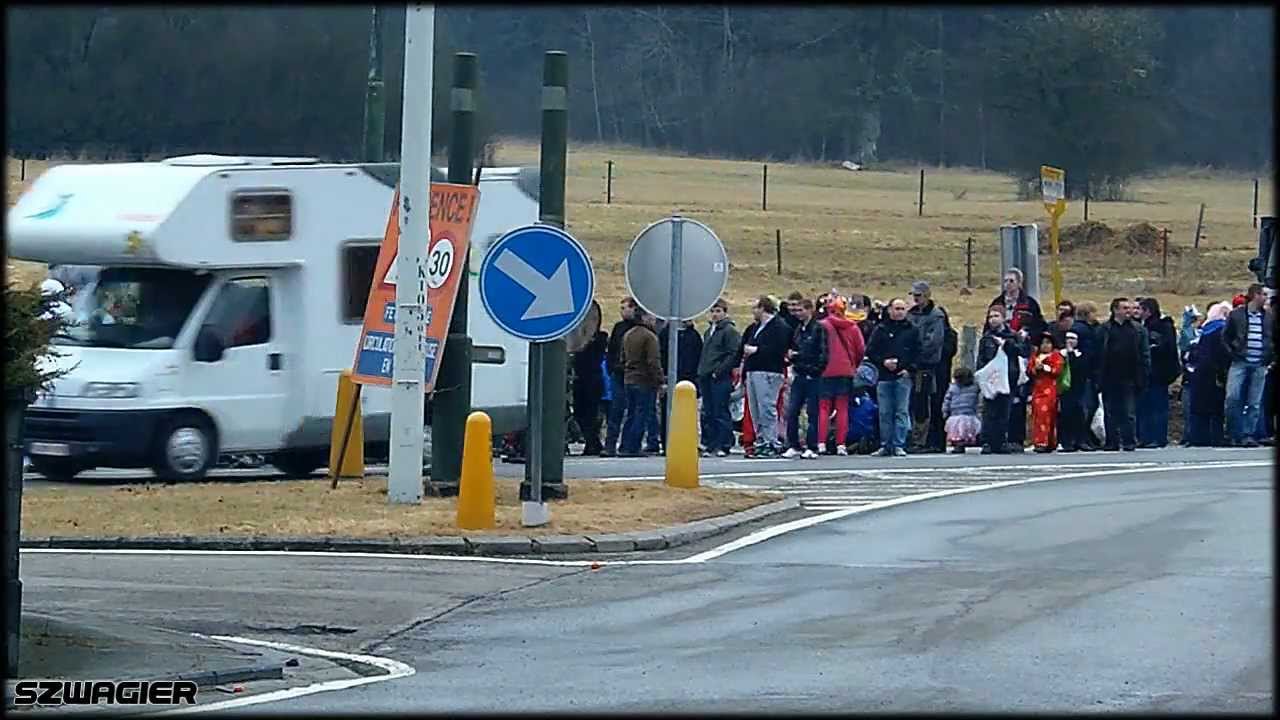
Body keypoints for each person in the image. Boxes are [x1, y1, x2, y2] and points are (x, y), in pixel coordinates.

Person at [864, 297, 921, 457]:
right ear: (889, 310)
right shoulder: (880, 329)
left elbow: (918, 352)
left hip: (903, 376)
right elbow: (870, 351)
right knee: (885, 412)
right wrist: (883, 362)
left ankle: (899, 444)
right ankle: (885, 444)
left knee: (901, 411)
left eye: (902, 309)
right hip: (884, 376)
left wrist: (908, 368)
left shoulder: (912, 330)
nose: (899, 312)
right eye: (897, 308)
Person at [740, 295, 791, 458]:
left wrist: (757, 350)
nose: (753, 312)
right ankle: (760, 439)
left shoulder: (779, 327)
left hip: (769, 370)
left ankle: (771, 441)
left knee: (767, 407)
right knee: (755, 408)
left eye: (755, 308)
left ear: (763, 308)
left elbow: (779, 349)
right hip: (754, 369)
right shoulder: (756, 328)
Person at [1222, 283, 1273, 447]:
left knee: (1254, 401)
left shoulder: (1269, 317)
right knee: (1232, 397)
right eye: (1264, 295)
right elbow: (1225, 336)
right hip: (1240, 361)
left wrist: (1270, 357)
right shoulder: (1237, 315)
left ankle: (1248, 434)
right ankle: (1233, 432)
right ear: (1255, 295)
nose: (1266, 298)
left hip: (1260, 363)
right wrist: (1233, 352)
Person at [1097, 297, 1150, 452]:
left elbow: (1144, 354)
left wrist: (1144, 374)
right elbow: (1098, 353)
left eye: (1130, 308)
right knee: (1110, 411)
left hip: (1130, 376)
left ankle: (1129, 441)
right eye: (1125, 308)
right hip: (1109, 376)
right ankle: (1111, 441)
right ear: (1115, 310)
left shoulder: (1138, 330)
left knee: (1128, 411)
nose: (1129, 311)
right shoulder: (1104, 329)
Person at [906, 280, 952, 453]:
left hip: (932, 367)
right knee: (918, 403)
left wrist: (917, 355)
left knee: (933, 403)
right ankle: (918, 439)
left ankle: (933, 441)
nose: (916, 299)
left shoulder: (936, 316)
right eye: (914, 295)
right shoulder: (911, 315)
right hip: (914, 367)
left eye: (918, 295)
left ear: (927, 296)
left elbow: (933, 342)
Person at [818, 295, 865, 456]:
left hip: (825, 371)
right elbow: (860, 350)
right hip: (845, 371)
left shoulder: (822, 326)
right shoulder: (852, 327)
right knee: (842, 408)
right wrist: (853, 365)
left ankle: (821, 443)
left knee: (823, 408)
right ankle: (841, 444)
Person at [976, 305, 1024, 454]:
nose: (993, 320)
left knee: (1004, 410)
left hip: (1008, 377)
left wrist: (1007, 344)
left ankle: (1001, 440)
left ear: (1003, 318)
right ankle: (987, 441)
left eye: (996, 316)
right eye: (990, 317)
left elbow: (1020, 352)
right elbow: (982, 358)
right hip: (992, 378)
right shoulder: (986, 338)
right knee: (990, 410)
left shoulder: (1012, 336)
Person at [783, 298, 828, 458]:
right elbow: (794, 347)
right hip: (799, 373)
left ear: (810, 310)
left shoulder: (818, 329)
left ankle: (812, 446)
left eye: (801, 310)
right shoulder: (798, 329)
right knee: (792, 410)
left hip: (813, 375)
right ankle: (793, 444)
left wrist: (815, 370)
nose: (798, 313)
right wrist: (792, 357)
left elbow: (822, 354)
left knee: (812, 412)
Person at [696, 299, 741, 457]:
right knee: (707, 411)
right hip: (706, 376)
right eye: (713, 311)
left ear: (725, 312)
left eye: (718, 311)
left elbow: (733, 354)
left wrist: (719, 370)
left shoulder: (729, 331)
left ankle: (724, 443)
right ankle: (709, 443)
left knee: (720, 410)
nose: (715, 315)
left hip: (720, 377)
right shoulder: (709, 331)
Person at [1136, 297, 1181, 448]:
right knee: (1147, 406)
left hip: (1158, 373)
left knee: (1156, 405)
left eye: (1140, 309)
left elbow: (1163, 349)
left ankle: (1157, 437)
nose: (1137, 312)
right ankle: (1147, 436)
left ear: (1147, 311)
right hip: (1150, 373)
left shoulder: (1160, 327)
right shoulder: (1146, 326)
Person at [1186, 302, 1232, 447]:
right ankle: (1216, 437)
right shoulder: (1221, 331)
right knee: (1216, 409)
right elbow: (1222, 354)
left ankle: (1198, 437)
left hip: (1199, 373)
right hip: (1215, 374)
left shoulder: (1205, 330)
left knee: (1199, 408)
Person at [619, 309, 663, 457]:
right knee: (641, 414)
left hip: (629, 378)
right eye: (652, 316)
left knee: (630, 413)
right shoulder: (650, 337)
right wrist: (659, 380)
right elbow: (653, 361)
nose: (654, 320)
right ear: (644, 317)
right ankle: (633, 446)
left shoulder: (628, 334)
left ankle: (625, 445)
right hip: (644, 380)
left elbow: (622, 358)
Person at [657, 318, 704, 452]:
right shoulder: (666, 334)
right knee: (668, 412)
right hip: (670, 378)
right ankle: (667, 442)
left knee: (686, 413)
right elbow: (661, 354)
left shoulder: (693, 336)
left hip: (688, 379)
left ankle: (686, 442)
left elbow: (697, 357)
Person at [601, 298, 639, 456]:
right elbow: (612, 350)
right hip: (618, 373)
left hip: (632, 374)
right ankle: (610, 445)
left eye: (626, 308)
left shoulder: (638, 328)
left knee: (632, 410)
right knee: (616, 411)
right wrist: (611, 367)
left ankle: (627, 445)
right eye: (621, 308)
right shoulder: (618, 327)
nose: (623, 311)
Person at [570, 327, 608, 456]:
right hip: (581, 382)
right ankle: (593, 442)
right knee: (580, 414)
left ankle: (593, 443)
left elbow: (600, 344)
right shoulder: (579, 340)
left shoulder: (599, 339)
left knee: (591, 415)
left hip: (592, 382)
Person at [1027, 332, 1065, 453]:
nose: (1045, 345)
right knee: (1038, 415)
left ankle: (1049, 441)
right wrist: (1035, 369)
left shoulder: (1056, 356)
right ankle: (1039, 441)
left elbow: (1057, 370)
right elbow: (1029, 371)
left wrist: (1044, 368)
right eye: (1043, 343)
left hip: (1050, 390)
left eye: (1048, 343)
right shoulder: (1035, 357)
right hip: (1037, 390)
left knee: (1048, 415)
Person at [1075, 301, 1105, 450]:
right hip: (1085, 373)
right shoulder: (1083, 330)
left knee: (1090, 406)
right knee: (1087, 406)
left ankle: (1086, 437)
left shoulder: (1090, 329)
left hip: (1089, 373)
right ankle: (1082, 437)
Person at [1057, 331, 1089, 452]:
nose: (1070, 341)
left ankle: (1080, 440)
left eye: (1073, 339)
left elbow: (1080, 369)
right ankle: (1066, 442)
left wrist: (1071, 354)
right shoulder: (1060, 354)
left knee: (1079, 414)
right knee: (1065, 415)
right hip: (1064, 389)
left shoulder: (1081, 354)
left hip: (1078, 388)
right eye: (1068, 338)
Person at [942, 366, 981, 453]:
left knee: (958, 432)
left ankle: (959, 445)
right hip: (967, 414)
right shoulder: (975, 388)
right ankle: (963, 444)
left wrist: (945, 411)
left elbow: (947, 400)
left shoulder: (953, 388)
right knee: (965, 431)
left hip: (958, 414)